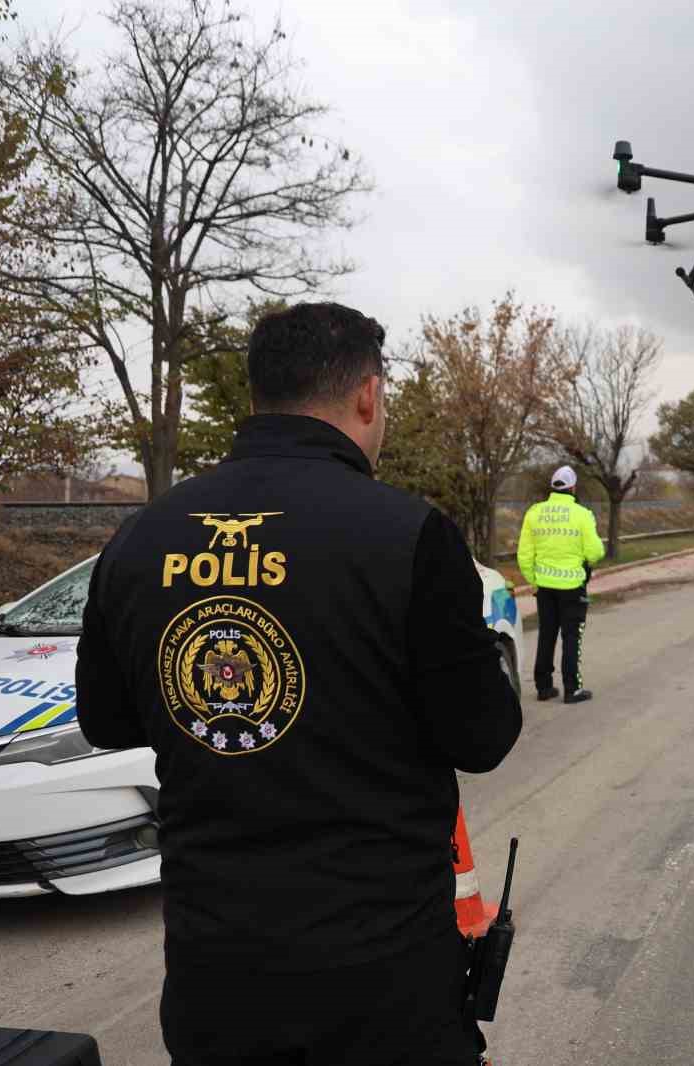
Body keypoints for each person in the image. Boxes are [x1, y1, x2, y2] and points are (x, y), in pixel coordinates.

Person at [75, 302, 523, 1066]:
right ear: (368, 395)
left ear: (258, 395)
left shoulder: (144, 535)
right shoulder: (409, 534)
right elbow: (482, 737)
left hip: (214, 976)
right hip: (383, 982)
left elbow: (108, 720)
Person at [518, 465, 605, 704]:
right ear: (573, 487)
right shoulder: (582, 514)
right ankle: (572, 689)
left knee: (546, 634)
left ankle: (544, 687)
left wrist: (533, 581)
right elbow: (595, 552)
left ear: (553, 487)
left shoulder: (534, 513)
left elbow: (524, 555)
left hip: (544, 587)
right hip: (572, 588)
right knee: (571, 637)